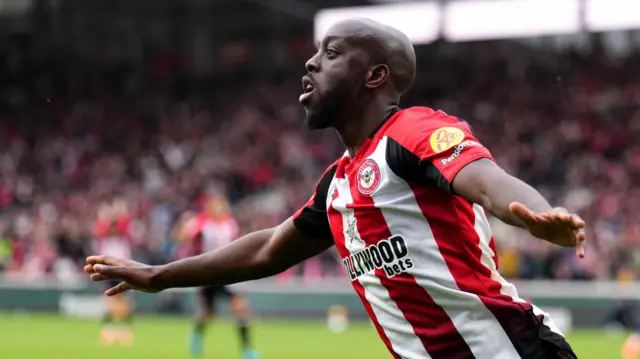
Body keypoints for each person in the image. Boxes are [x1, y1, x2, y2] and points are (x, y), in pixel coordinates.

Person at [85, 18, 586, 359]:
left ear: (374, 75)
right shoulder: (339, 183)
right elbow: (268, 249)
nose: (310, 63)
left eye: (331, 53)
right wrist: (158, 275)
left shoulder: (410, 132)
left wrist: (536, 216)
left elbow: (487, 181)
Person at [172, 196, 261, 359]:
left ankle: (247, 350)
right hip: (209, 272)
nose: (221, 209)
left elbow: (239, 244)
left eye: (223, 205)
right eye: (217, 206)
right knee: (208, 313)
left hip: (230, 273)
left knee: (240, 309)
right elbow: (181, 236)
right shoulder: (202, 223)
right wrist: (183, 226)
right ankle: (197, 334)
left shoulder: (231, 224)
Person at [93, 199, 135, 346]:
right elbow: (102, 229)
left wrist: (116, 214)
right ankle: (109, 326)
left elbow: (123, 226)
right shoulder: (105, 231)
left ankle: (125, 326)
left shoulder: (123, 230)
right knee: (110, 295)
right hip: (108, 265)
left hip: (122, 264)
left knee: (123, 295)